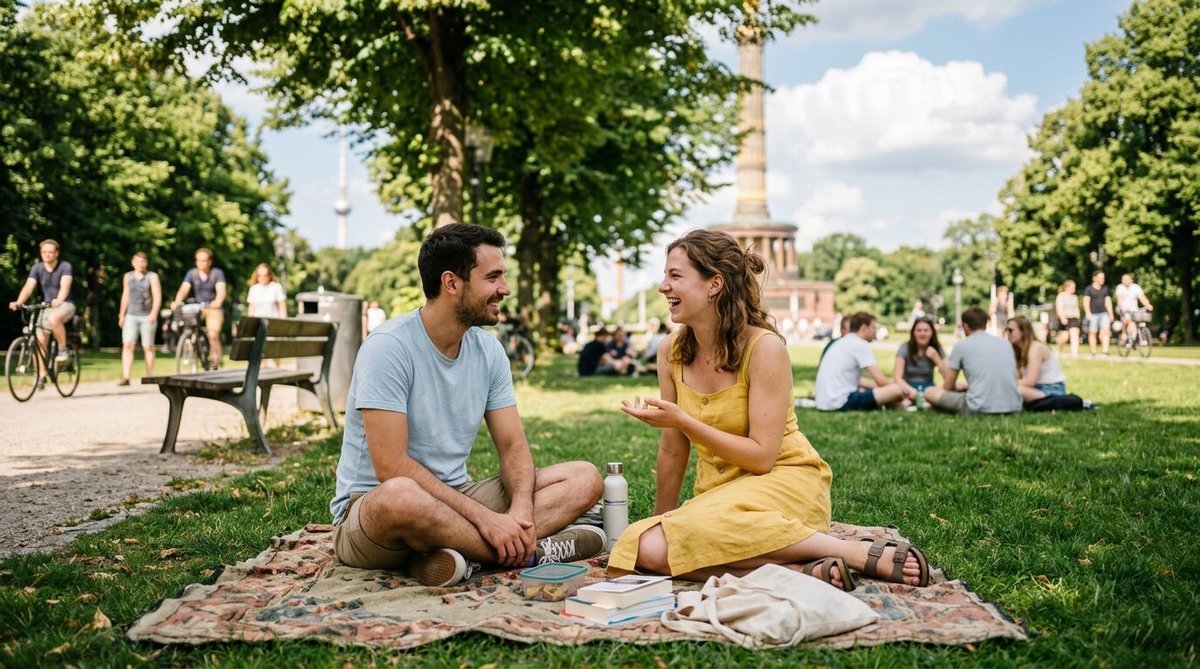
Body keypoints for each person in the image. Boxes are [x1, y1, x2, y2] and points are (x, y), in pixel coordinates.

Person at [614, 229, 930, 591]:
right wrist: (663, 519)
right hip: (718, 495)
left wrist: (685, 421)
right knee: (647, 547)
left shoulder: (764, 348)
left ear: (714, 283)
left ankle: (853, 553)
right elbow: (673, 448)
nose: (662, 286)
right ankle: (800, 572)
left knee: (681, 542)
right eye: (665, 275)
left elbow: (763, 457)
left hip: (782, 480)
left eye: (675, 275)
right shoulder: (671, 352)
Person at [329, 224, 604, 587]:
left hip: (455, 496)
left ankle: (447, 556)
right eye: (493, 277)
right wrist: (487, 520)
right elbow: (391, 466)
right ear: (452, 283)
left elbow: (513, 445)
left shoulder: (489, 350)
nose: (504, 289)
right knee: (401, 495)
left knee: (584, 478)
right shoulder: (389, 347)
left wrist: (521, 509)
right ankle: (532, 551)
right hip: (373, 511)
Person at [924, 307, 1022, 415]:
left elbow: (948, 386)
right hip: (1014, 405)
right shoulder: (1005, 344)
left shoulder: (961, 345)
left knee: (930, 392)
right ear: (986, 324)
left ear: (965, 326)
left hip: (978, 407)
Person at [8, 239, 75, 389]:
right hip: (46, 306)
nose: (47, 254)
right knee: (39, 340)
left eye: (50, 251)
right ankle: (42, 375)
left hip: (65, 304)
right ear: (41, 253)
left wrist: (59, 299)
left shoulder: (65, 267)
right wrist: (19, 301)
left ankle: (63, 349)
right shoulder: (37, 268)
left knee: (54, 317)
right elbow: (28, 286)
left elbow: (65, 286)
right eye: (44, 252)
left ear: (57, 253)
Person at [814, 312, 905, 411]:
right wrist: (903, 391)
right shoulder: (861, 344)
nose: (875, 332)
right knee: (897, 390)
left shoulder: (840, 342)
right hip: (841, 402)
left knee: (878, 390)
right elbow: (881, 381)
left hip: (824, 403)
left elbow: (860, 381)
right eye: (873, 327)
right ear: (864, 328)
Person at [170, 248, 227, 370]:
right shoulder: (192, 273)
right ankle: (188, 347)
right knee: (185, 325)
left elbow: (221, 291)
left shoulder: (217, 273)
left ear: (210, 261)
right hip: (198, 308)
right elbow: (184, 289)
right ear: (196, 261)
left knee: (212, 334)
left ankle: (216, 360)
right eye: (199, 260)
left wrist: (217, 302)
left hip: (213, 308)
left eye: (205, 260)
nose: (202, 263)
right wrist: (177, 301)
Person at [117, 252, 162, 385]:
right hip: (131, 315)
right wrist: (121, 314)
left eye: (143, 261)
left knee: (147, 346)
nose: (140, 264)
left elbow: (157, 296)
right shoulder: (128, 276)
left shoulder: (152, 277)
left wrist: (154, 313)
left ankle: (149, 375)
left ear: (146, 263)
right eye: (138, 261)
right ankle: (126, 377)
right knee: (128, 345)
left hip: (147, 316)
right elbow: (125, 295)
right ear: (133, 263)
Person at [1006, 316, 1068, 403]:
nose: (1008, 333)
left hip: (1052, 389)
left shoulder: (1035, 347)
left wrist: (1006, 382)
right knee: (1007, 389)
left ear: (1023, 331)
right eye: (1007, 330)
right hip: (1034, 388)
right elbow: (1018, 377)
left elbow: (1030, 381)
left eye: (1011, 330)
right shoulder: (1017, 350)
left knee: (1013, 389)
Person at [893, 317, 948, 409]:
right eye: (919, 330)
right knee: (897, 393)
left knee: (958, 385)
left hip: (929, 388)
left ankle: (923, 401)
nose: (922, 333)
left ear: (932, 333)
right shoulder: (905, 348)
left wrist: (937, 359)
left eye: (926, 330)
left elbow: (948, 378)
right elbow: (897, 377)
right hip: (907, 387)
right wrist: (913, 393)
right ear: (913, 333)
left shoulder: (937, 348)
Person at [1115, 273, 1153, 344]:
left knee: (1134, 323)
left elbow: (1142, 298)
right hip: (1123, 308)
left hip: (1134, 309)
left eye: (1127, 279)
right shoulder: (1120, 288)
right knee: (1126, 319)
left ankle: (1133, 339)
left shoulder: (1136, 287)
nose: (1125, 281)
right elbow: (1119, 300)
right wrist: (1123, 307)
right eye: (1124, 280)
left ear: (1131, 280)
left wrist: (1148, 305)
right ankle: (1124, 333)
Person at [1083, 270, 1114, 356]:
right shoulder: (1089, 289)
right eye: (1100, 278)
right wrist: (1087, 313)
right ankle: (1093, 352)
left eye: (1103, 278)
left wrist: (1110, 313)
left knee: (1106, 331)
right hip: (1093, 314)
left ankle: (1105, 351)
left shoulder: (1105, 289)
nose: (1102, 279)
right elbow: (1086, 301)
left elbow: (1108, 301)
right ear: (1094, 278)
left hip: (1104, 313)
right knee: (1092, 332)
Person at [1054, 279, 1082, 358]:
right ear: (1066, 287)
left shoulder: (1074, 297)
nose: (1074, 289)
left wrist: (1078, 315)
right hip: (1064, 317)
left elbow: (1076, 307)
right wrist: (1062, 317)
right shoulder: (1061, 296)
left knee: (1075, 334)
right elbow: (1059, 307)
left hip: (1073, 317)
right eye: (1072, 287)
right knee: (1064, 336)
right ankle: (1059, 349)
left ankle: (1074, 354)